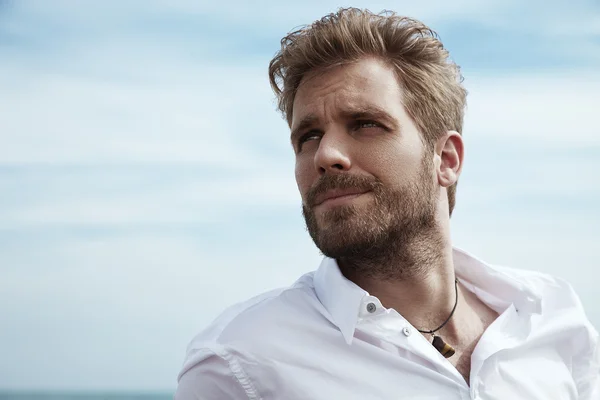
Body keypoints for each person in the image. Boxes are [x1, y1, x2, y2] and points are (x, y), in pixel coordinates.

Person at [175, 8, 599, 399]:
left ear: (446, 160)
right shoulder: (240, 364)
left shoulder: (549, 315)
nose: (325, 155)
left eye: (365, 124)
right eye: (309, 137)